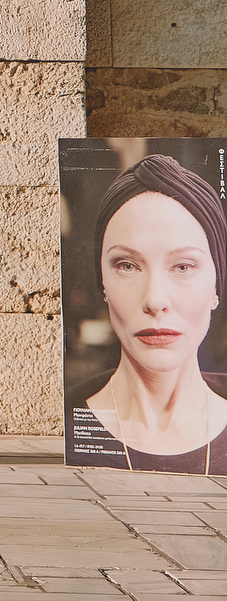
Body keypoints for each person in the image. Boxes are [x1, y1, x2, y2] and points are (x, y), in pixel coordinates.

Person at [69, 155, 227, 473]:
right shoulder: (71, 417)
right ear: (103, 283)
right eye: (127, 265)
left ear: (216, 286)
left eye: (183, 266)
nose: (155, 300)